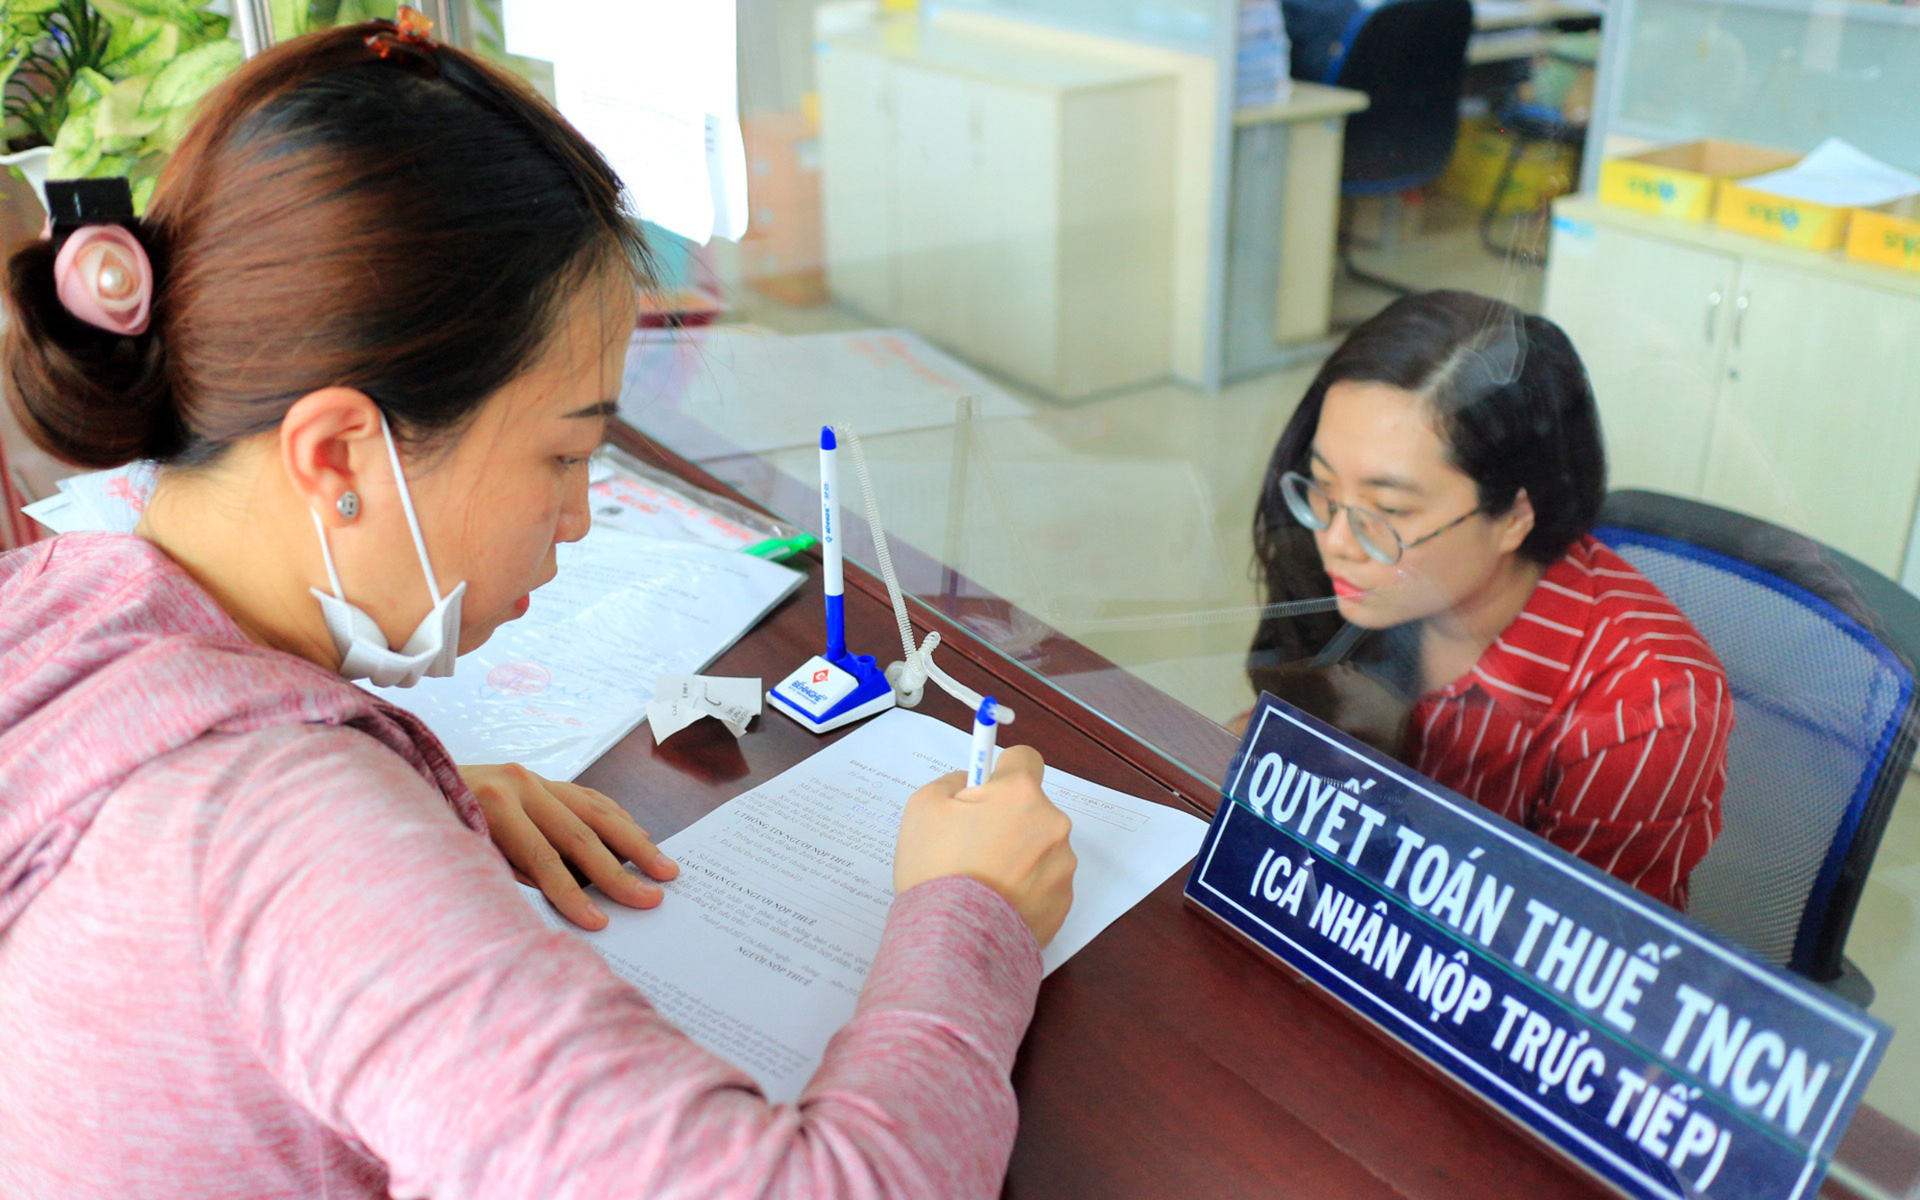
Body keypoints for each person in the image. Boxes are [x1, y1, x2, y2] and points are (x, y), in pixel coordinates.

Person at [0, 17, 1075, 1199]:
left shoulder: (59, 605)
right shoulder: (283, 843)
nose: (577, 520)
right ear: (339, 454)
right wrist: (969, 915)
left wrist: (410, 790)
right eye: (565, 458)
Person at [1245, 290, 1730, 911]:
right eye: (1321, 486)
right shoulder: (1376, 586)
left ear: (1513, 518)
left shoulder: (1649, 707)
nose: (1334, 541)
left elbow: (1576, 962)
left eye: (1388, 510)